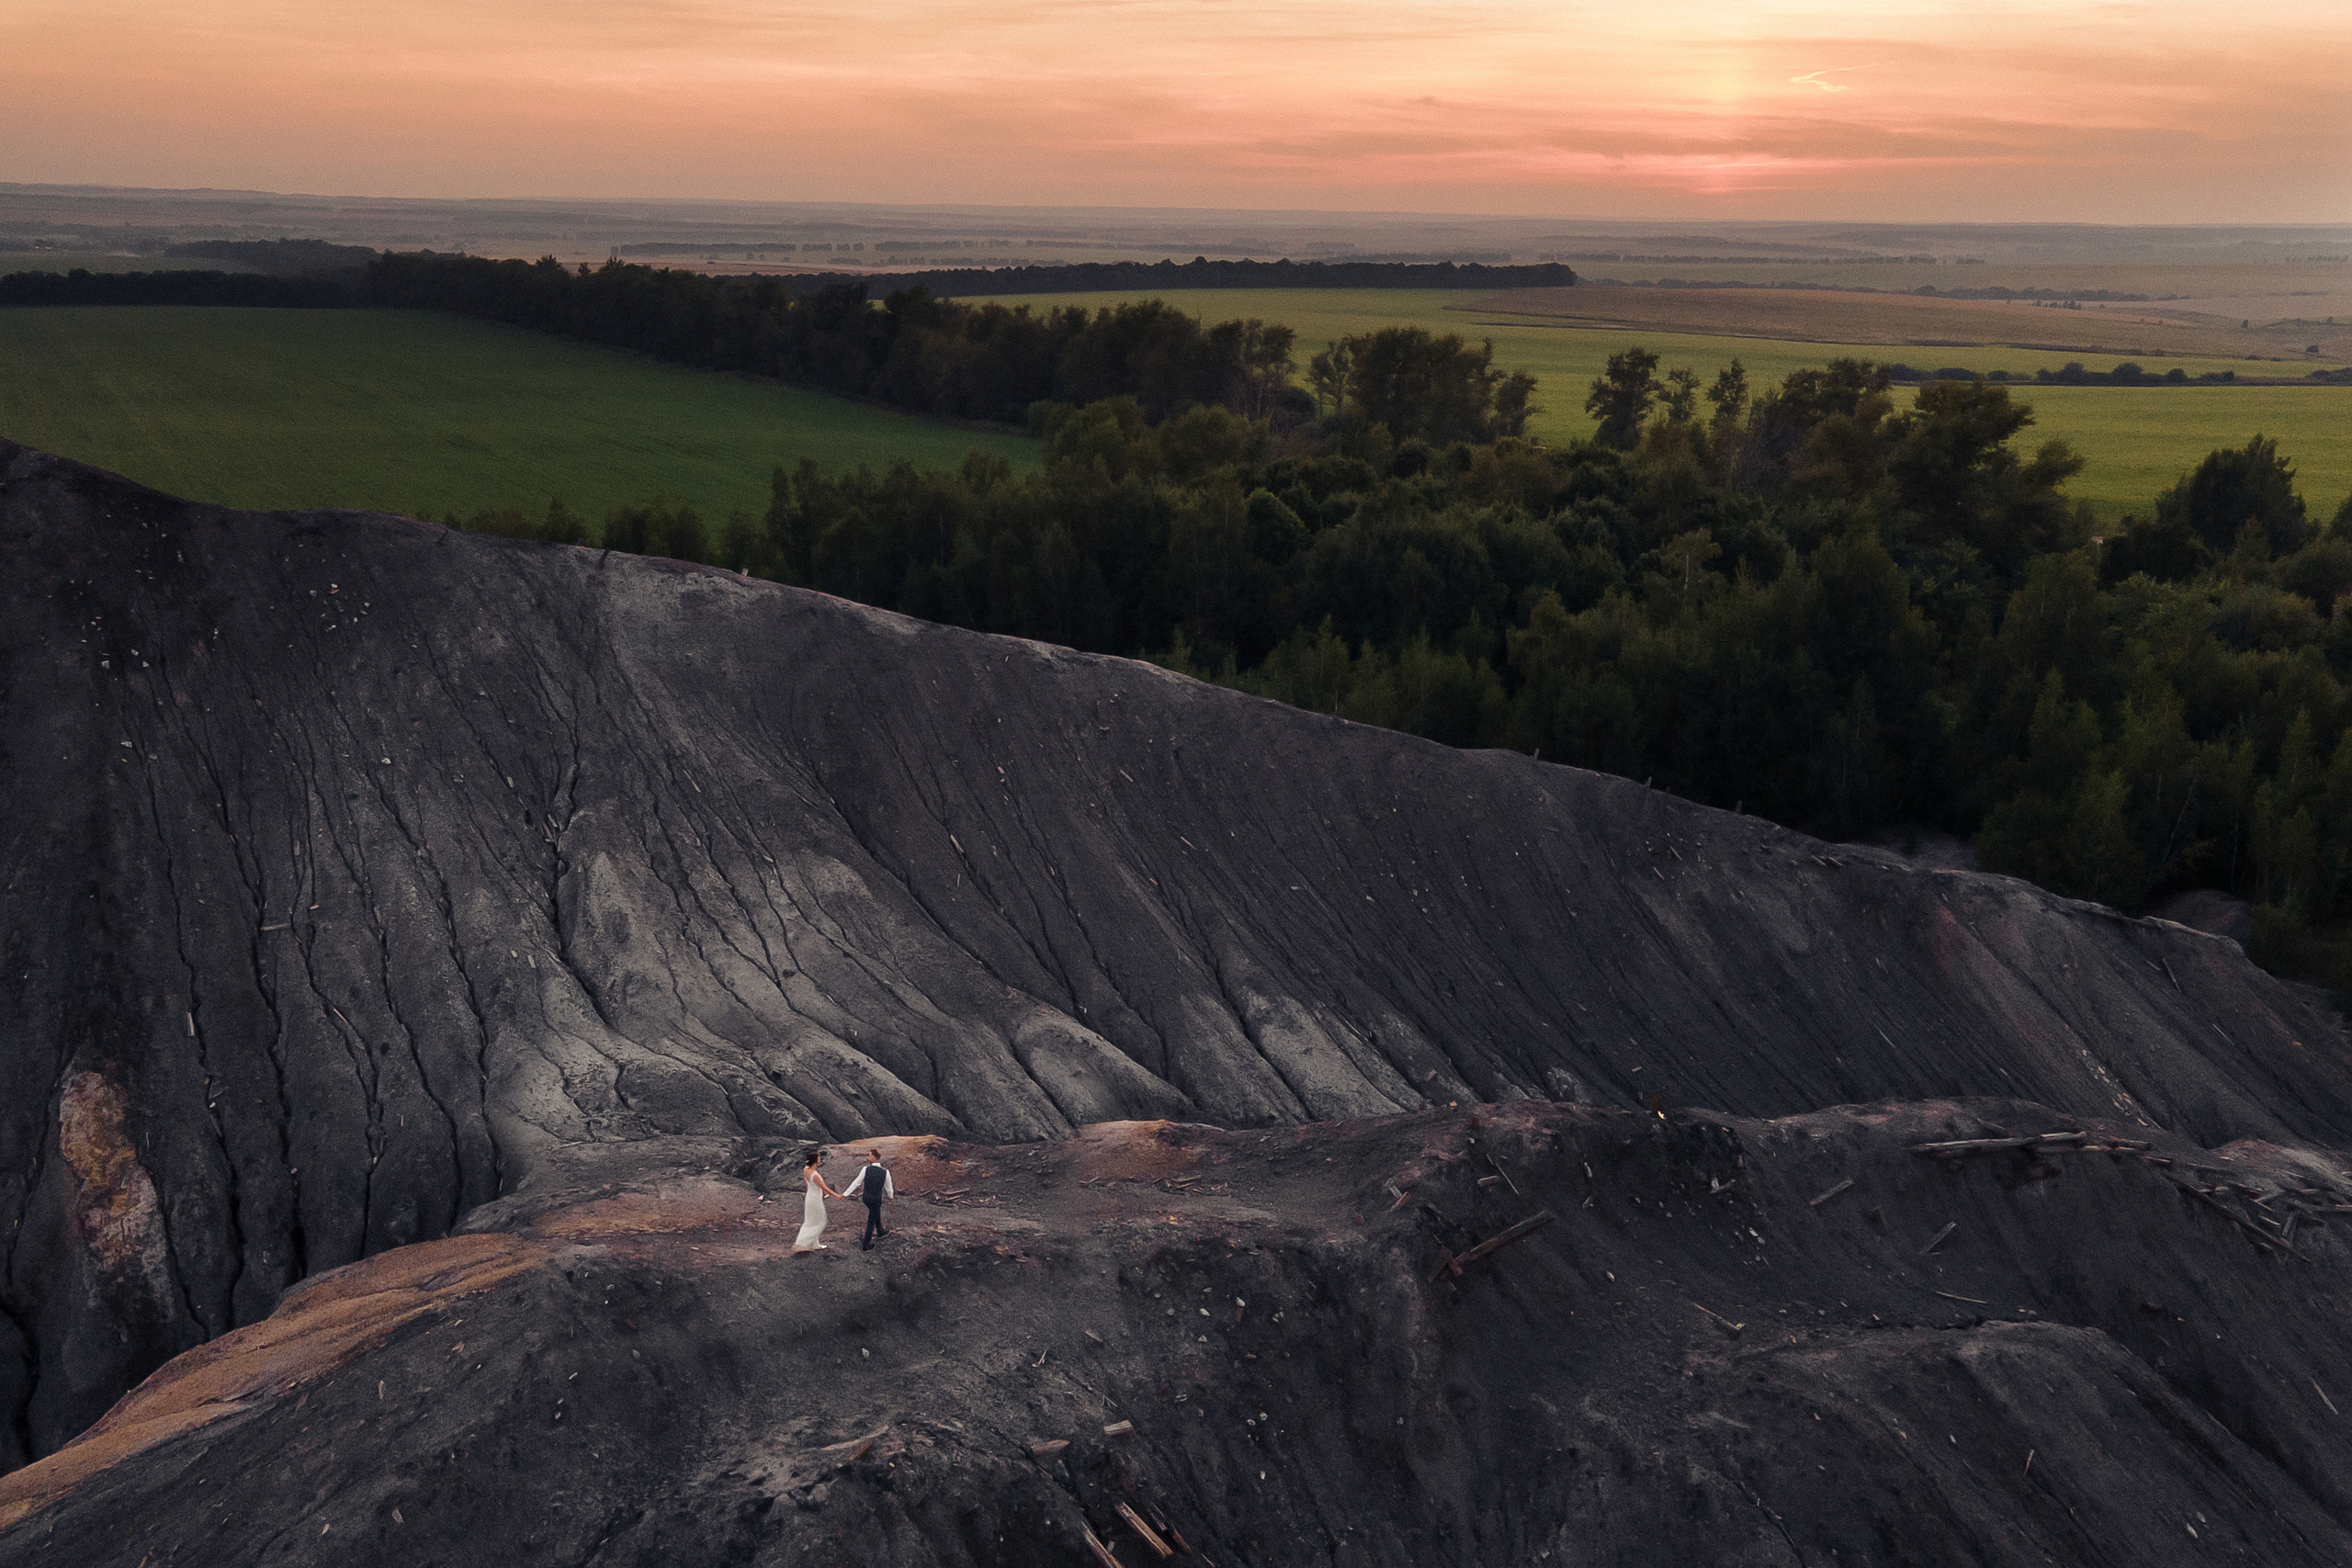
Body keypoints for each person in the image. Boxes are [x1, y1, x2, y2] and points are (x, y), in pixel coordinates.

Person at [841, 1147, 895, 1250]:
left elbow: (856, 1182)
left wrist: (846, 1194)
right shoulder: (885, 1172)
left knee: (875, 1212)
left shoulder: (865, 1169)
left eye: (870, 1156)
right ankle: (866, 1244)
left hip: (866, 1198)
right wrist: (890, 1196)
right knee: (871, 1220)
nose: (868, 1158)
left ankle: (880, 1231)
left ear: (874, 1157)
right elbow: (888, 1187)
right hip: (876, 1199)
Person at [792, 1148, 843, 1254]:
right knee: (820, 1222)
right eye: (819, 1158)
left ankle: (815, 1244)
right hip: (815, 1199)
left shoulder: (806, 1169)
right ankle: (801, 1243)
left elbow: (807, 1184)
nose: (820, 1160)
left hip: (810, 1196)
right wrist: (837, 1196)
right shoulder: (815, 1175)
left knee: (811, 1221)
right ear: (815, 1160)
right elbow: (825, 1188)